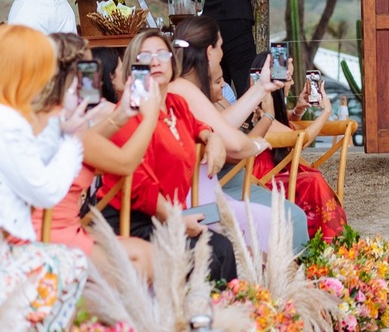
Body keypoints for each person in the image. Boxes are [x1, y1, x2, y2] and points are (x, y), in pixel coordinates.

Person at [95, 29, 238, 283]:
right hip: (132, 218)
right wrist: (176, 219)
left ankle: (226, 318)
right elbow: (139, 187)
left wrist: (211, 137)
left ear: (173, 62)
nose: (155, 61)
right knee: (207, 259)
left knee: (224, 249)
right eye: (145, 55)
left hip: (168, 214)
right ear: (133, 66)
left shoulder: (176, 104)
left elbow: (197, 126)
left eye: (162, 54)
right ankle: (195, 320)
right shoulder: (129, 112)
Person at [170, 16, 309, 254]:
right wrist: (256, 144)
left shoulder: (183, 87)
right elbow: (234, 143)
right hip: (192, 196)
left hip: (200, 190)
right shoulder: (184, 88)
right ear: (209, 52)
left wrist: (261, 88)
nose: (224, 54)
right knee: (288, 218)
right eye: (221, 46)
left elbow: (220, 125)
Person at [31, 33, 158, 281]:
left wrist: (121, 114)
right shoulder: (60, 121)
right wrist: (150, 115)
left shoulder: (53, 116)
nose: (94, 80)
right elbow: (125, 163)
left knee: (146, 252)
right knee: (146, 259)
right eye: (88, 69)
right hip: (50, 235)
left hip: (65, 226)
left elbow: (85, 148)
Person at [0, 24, 95, 332]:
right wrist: (72, 139)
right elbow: (45, 190)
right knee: (71, 262)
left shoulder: (15, 117)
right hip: (8, 249)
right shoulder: (9, 124)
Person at [245, 52, 348, 241]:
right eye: (289, 78)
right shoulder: (261, 116)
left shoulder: (266, 111)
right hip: (264, 180)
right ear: (275, 83)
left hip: (277, 173)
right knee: (312, 181)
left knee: (311, 178)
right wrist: (326, 112)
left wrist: (299, 110)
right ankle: (329, 240)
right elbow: (301, 139)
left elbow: (284, 124)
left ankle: (325, 238)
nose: (291, 84)